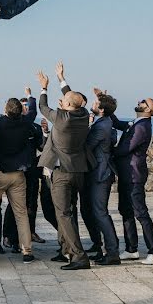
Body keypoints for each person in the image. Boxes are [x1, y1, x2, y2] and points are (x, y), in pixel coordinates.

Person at [37, 62, 93, 271]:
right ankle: (65, 250)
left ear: (67, 106)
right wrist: (62, 80)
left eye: (63, 101)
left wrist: (44, 87)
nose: (61, 101)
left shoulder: (61, 118)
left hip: (61, 173)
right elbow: (73, 98)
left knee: (63, 214)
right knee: (70, 211)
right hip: (78, 171)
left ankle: (79, 256)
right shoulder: (83, 114)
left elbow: (42, 108)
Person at [0, 89, 42, 264]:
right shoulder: (26, 122)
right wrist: (33, 94)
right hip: (18, 174)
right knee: (21, 212)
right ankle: (27, 251)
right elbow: (33, 110)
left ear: (6, 110)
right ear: (20, 111)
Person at [109, 94, 153, 265]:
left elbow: (125, 148)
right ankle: (131, 249)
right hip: (126, 174)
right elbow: (117, 124)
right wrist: (105, 102)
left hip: (134, 175)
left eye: (143, 102)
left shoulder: (142, 127)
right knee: (125, 210)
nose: (138, 102)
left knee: (140, 213)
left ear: (148, 110)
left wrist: (105, 151)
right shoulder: (136, 123)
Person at [83, 91, 120, 265]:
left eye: (96, 102)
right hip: (100, 171)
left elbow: (87, 146)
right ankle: (103, 248)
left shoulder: (101, 126)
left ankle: (112, 252)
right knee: (97, 212)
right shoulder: (105, 122)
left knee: (100, 212)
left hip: (100, 173)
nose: (93, 104)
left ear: (102, 109)